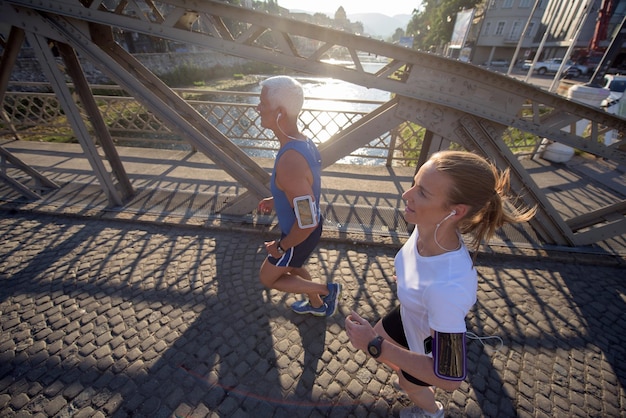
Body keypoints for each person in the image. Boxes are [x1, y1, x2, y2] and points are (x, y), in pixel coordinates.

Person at [344, 150, 536, 417]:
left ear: (455, 211)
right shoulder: (427, 229)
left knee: (403, 377)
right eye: (414, 183)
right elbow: (422, 269)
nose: (406, 195)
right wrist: (408, 281)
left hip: (424, 340)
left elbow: (449, 377)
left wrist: (375, 343)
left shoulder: (446, 288)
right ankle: (412, 377)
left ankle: (431, 410)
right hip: (410, 315)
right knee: (386, 353)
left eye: (422, 192)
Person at [256, 76, 341, 317]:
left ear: (280, 113)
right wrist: (277, 198)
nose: (258, 108)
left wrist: (281, 246)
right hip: (303, 228)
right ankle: (316, 305)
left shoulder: (290, 161)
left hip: (299, 233)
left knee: (269, 276)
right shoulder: (303, 141)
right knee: (293, 267)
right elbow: (304, 187)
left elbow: (307, 221)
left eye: (262, 103)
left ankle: (327, 291)